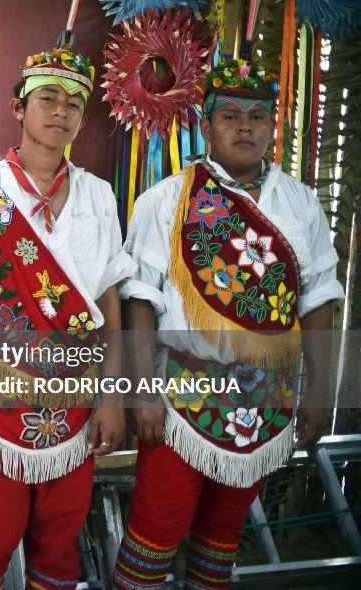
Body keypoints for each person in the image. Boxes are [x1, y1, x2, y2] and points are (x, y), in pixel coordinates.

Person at [112, 56, 344, 589]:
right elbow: (140, 301)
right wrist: (143, 393)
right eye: (231, 115)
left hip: (265, 405)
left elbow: (319, 301)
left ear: (272, 127)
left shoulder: (301, 203)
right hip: (181, 401)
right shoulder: (168, 198)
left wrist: (318, 394)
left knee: (221, 542)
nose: (245, 126)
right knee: (153, 536)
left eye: (258, 117)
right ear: (208, 124)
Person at [0, 35, 134, 590]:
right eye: (48, 98)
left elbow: (108, 302)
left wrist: (112, 397)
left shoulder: (99, 195)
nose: (61, 111)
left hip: (76, 402)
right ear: (19, 108)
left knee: (60, 545)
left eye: (74, 103)